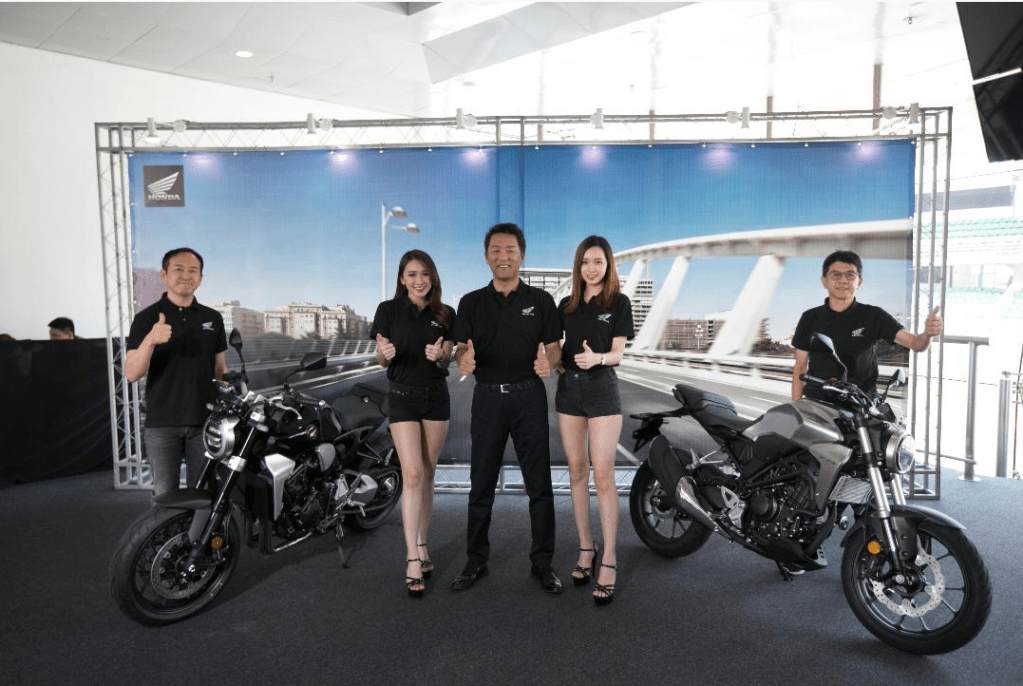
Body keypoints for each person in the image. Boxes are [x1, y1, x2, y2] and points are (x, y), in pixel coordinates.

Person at [451, 222, 564, 594]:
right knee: (481, 483)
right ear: (486, 257)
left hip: (529, 397)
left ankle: (542, 563)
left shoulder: (541, 301)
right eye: (496, 250)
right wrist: (463, 358)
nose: (504, 257)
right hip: (487, 398)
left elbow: (554, 348)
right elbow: (460, 348)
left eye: (511, 250)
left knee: (539, 485)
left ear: (522, 255)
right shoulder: (470, 302)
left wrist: (550, 361)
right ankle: (475, 560)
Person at [370, 250, 455, 598]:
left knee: (429, 472)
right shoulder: (387, 310)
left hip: (436, 397)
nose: (419, 280)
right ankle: (411, 558)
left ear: (432, 277)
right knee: (413, 474)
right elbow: (380, 356)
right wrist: (383, 356)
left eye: (425, 274)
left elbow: (448, 357)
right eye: (412, 274)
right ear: (402, 279)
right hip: (402, 397)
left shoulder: (446, 314)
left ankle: (422, 543)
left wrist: (441, 355)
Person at [557, 236, 634, 605]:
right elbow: (555, 349)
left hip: (602, 388)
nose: (591, 268)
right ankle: (586, 547)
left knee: (603, 474)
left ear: (608, 265)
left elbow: (618, 353)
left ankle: (610, 558)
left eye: (598, 262)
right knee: (576, 471)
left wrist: (597, 358)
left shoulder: (619, 302)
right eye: (585, 261)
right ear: (578, 265)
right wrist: (553, 361)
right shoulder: (566, 305)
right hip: (568, 392)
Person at [125, 247, 227, 497]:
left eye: (193, 270)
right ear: (164, 275)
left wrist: (227, 391)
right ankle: (167, 527)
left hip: (204, 421)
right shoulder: (146, 318)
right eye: (178, 269)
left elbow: (220, 368)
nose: (186, 276)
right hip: (162, 423)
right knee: (164, 495)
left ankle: (197, 527)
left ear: (200, 278)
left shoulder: (213, 318)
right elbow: (131, 373)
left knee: (203, 494)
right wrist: (150, 340)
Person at [792, 250, 943, 401]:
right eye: (835, 274)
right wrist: (795, 405)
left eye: (850, 275)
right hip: (817, 402)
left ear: (859, 282)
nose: (843, 280)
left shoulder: (874, 315)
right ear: (824, 281)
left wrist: (927, 334)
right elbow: (800, 366)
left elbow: (915, 344)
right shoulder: (809, 317)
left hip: (860, 403)